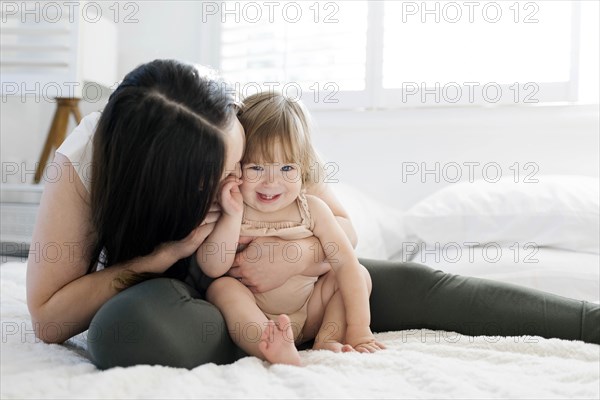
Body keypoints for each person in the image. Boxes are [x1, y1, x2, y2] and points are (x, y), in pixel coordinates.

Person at [25, 59, 599, 371]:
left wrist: (292, 256)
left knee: (412, 285)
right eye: (226, 175)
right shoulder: (86, 166)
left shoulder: (230, 114)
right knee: (131, 332)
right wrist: (161, 258)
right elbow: (50, 319)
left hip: (300, 281)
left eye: (242, 163)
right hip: (192, 292)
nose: (244, 183)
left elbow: (337, 226)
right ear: (172, 183)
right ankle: (266, 340)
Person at [197, 92, 385, 366]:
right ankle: (270, 347)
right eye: (257, 168)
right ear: (237, 166)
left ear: (303, 167)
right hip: (257, 312)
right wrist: (232, 214)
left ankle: (326, 340)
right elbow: (212, 267)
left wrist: (360, 329)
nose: (272, 182)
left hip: (310, 310)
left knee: (359, 274)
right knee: (222, 288)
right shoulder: (234, 207)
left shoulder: (313, 209)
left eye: (286, 167)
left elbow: (346, 263)